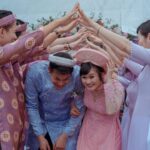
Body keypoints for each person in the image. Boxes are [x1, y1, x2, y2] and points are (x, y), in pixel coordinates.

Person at [0, 6, 78, 150]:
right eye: (13, 32)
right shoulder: (4, 55)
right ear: (1, 31)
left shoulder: (9, 59)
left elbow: (39, 47)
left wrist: (60, 32)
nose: (14, 37)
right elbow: (26, 43)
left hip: (15, 126)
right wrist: (60, 21)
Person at [77, 6, 150, 149]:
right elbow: (121, 58)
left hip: (144, 126)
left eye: (139, 38)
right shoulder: (145, 67)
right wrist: (98, 43)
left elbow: (124, 47)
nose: (138, 42)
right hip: (135, 123)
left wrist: (94, 26)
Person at [25, 52, 85, 150]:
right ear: (49, 70)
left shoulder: (77, 75)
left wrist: (65, 134)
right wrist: (40, 136)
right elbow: (32, 106)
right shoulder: (35, 72)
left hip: (65, 123)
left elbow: (80, 106)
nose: (61, 84)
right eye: (57, 79)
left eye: (66, 80)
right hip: (40, 122)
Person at [73, 48, 124, 150]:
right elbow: (73, 94)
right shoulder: (86, 88)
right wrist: (72, 105)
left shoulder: (116, 86)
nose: (88, 81)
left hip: (108, 135)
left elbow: (111, 110)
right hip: (87, 132)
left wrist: (109, 81)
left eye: (92, 77)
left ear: (101, 74)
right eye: (84, 77)